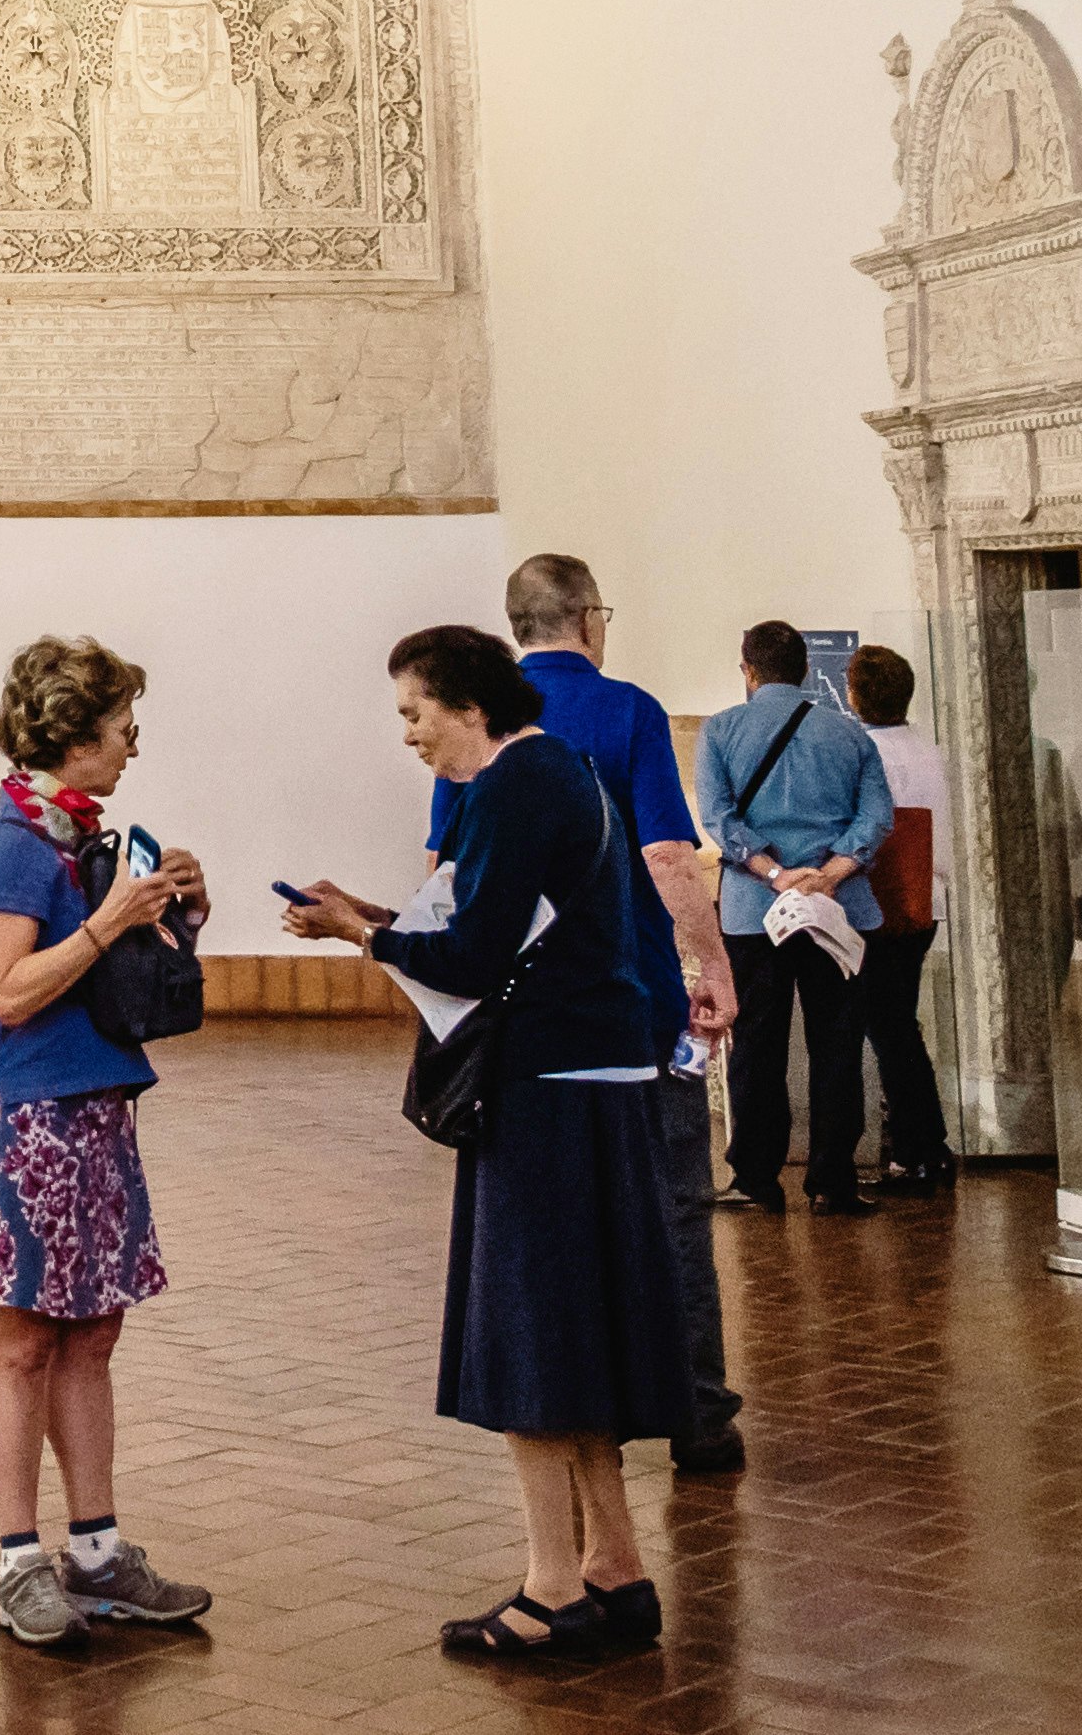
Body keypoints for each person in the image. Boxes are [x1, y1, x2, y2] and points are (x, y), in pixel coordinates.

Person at [287, 625, 690, 1665]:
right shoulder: (557, 772)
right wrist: (371, 915)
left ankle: (552, 1588)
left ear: (467, 703)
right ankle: (615, 1565)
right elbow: (507, 927)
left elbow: (471, 958)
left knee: (533, 1334)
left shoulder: (512, 786)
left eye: (413, 712)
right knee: (581, 1329)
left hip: (546, 1090)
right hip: (594, 1074)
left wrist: (357, 935)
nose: (408, 734)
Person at [435, 555, 747, 1474]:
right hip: (632, 1001)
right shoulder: (627, 711)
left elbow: (445, 875)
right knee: (676, 1204)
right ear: (586, 618)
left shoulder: (477, 721)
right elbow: (666, 855)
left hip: (526, 1024)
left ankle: (573, 1415)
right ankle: (697, 1412)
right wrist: (711, 962)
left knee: (551, 1223)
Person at [0, 637, 215, 1650]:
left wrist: (175, 910)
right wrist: (107, 921)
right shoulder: (12, 844)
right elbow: (10, 991)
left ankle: (96, 1553)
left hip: (92, 1104)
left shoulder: (79, 836)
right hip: (25, 1114)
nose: (132, 747)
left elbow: (115, 973)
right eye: (121, 730)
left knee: (93, 1332)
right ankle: (18, 1562)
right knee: (23, 1341)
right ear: (71, 733)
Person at [703, 620, 898, 1216]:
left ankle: (755, 1178)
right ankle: (833, 1179)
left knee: (756, 1046)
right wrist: (830, 873)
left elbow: (717, 816)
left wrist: (772, 873)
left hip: (753, 913)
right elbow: (877, 816)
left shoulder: (721, 731)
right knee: (837, 1043)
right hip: (839, 911)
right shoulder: (849, 734)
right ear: (807, 670)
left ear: (748, 671)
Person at [846, 645, 958, 1192]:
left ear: (853, 696)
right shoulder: (931, 751)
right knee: (897, 1022)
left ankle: (922, 1147)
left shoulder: (864, 754)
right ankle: (917, 1144)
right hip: (926, 900)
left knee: (888, 1028)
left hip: (882, 902)